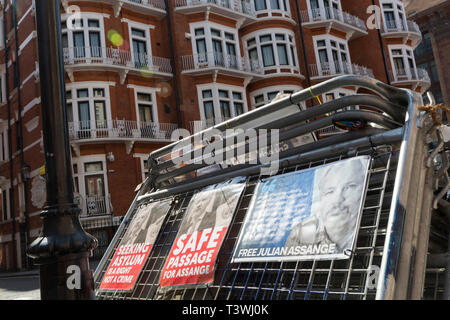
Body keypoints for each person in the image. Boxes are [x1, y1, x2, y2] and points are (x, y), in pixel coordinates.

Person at [285, 158, 367, 252]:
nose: (337, 200)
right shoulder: (300, 233)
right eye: (330, 191)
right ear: (321, 197)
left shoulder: (371, 226)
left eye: (349, 187)